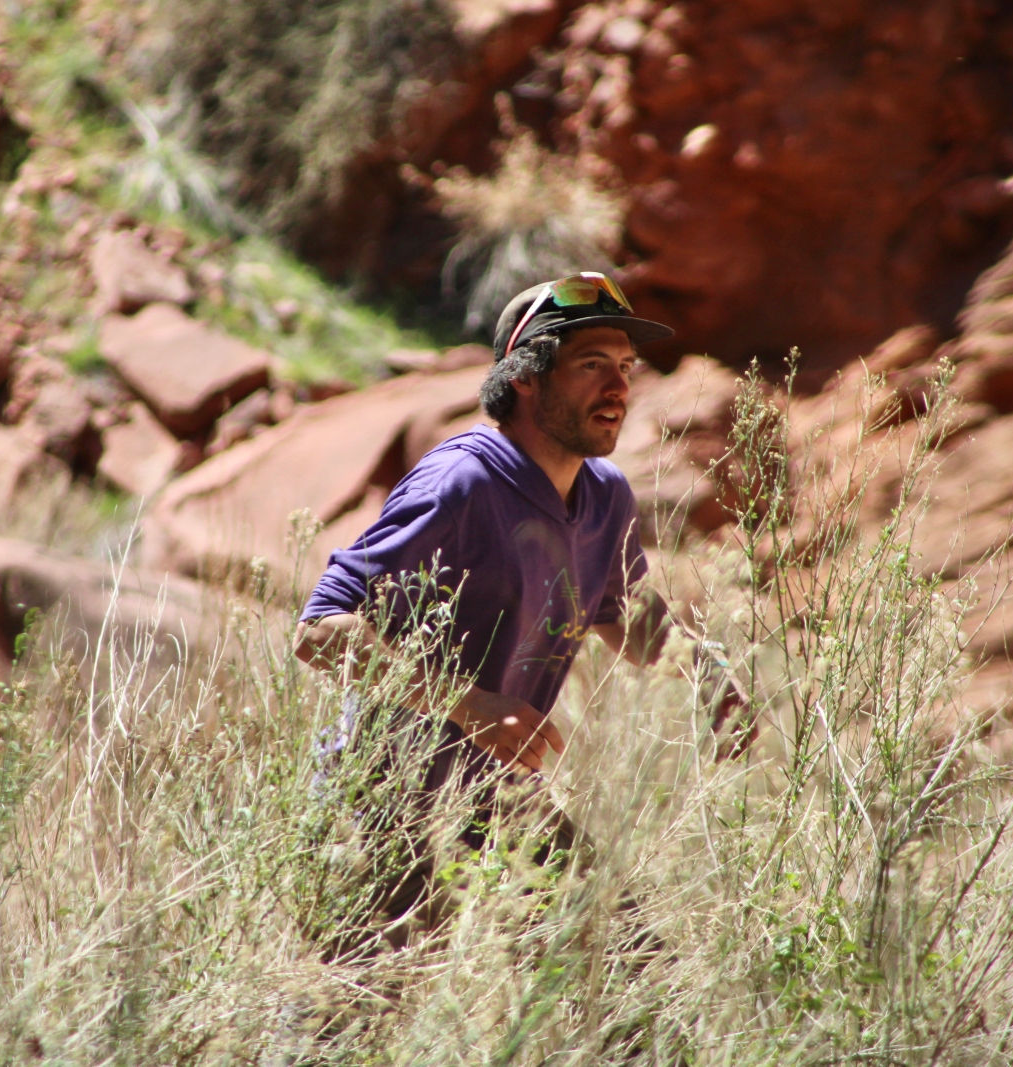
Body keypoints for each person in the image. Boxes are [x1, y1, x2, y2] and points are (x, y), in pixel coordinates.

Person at [294, 273, 747, 942]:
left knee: (623, 964)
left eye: (625, 366)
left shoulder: (605, 495)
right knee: (349, 1021)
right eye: (592, 365)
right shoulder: (462, 480)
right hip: (378, 801)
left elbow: (618, 614)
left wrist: (707, 673)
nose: (619, 387)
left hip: (496, 797)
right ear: (526, 377)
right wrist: (468, 704)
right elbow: (319, 630)